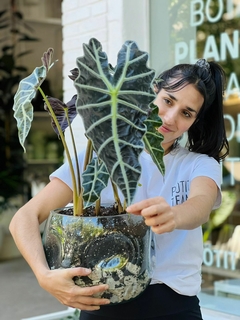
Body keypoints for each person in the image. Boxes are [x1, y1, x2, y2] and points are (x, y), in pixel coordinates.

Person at [10, 59, 229, 320]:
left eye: (187, 113)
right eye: (168, 101)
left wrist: (174, 215)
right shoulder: (99, 158)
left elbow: (201, 204)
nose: (170, 118)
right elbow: (24, 217)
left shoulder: (198, 164)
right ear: (152, 91)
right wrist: (44, 276)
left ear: (194, 121)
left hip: (175, 309)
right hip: (102, 306)